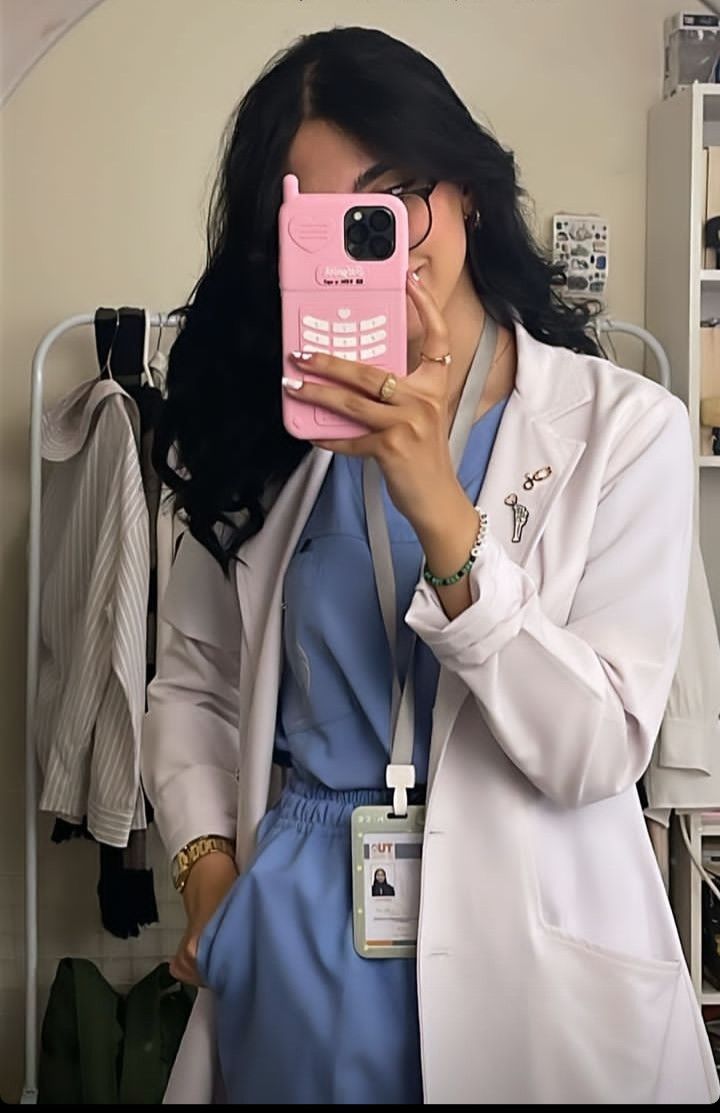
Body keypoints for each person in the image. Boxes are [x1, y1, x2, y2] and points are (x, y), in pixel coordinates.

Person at [142, 26, 719, 1105]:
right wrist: (209, 877)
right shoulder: (263, 443)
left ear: (467, 194)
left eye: (396, 193)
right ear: (282, 243)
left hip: (534, 930)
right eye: (323, 215)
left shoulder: (624, 430)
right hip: (305, 932)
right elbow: (194, 681)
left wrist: (444, 516)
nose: (378, 238)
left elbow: (595, 749)